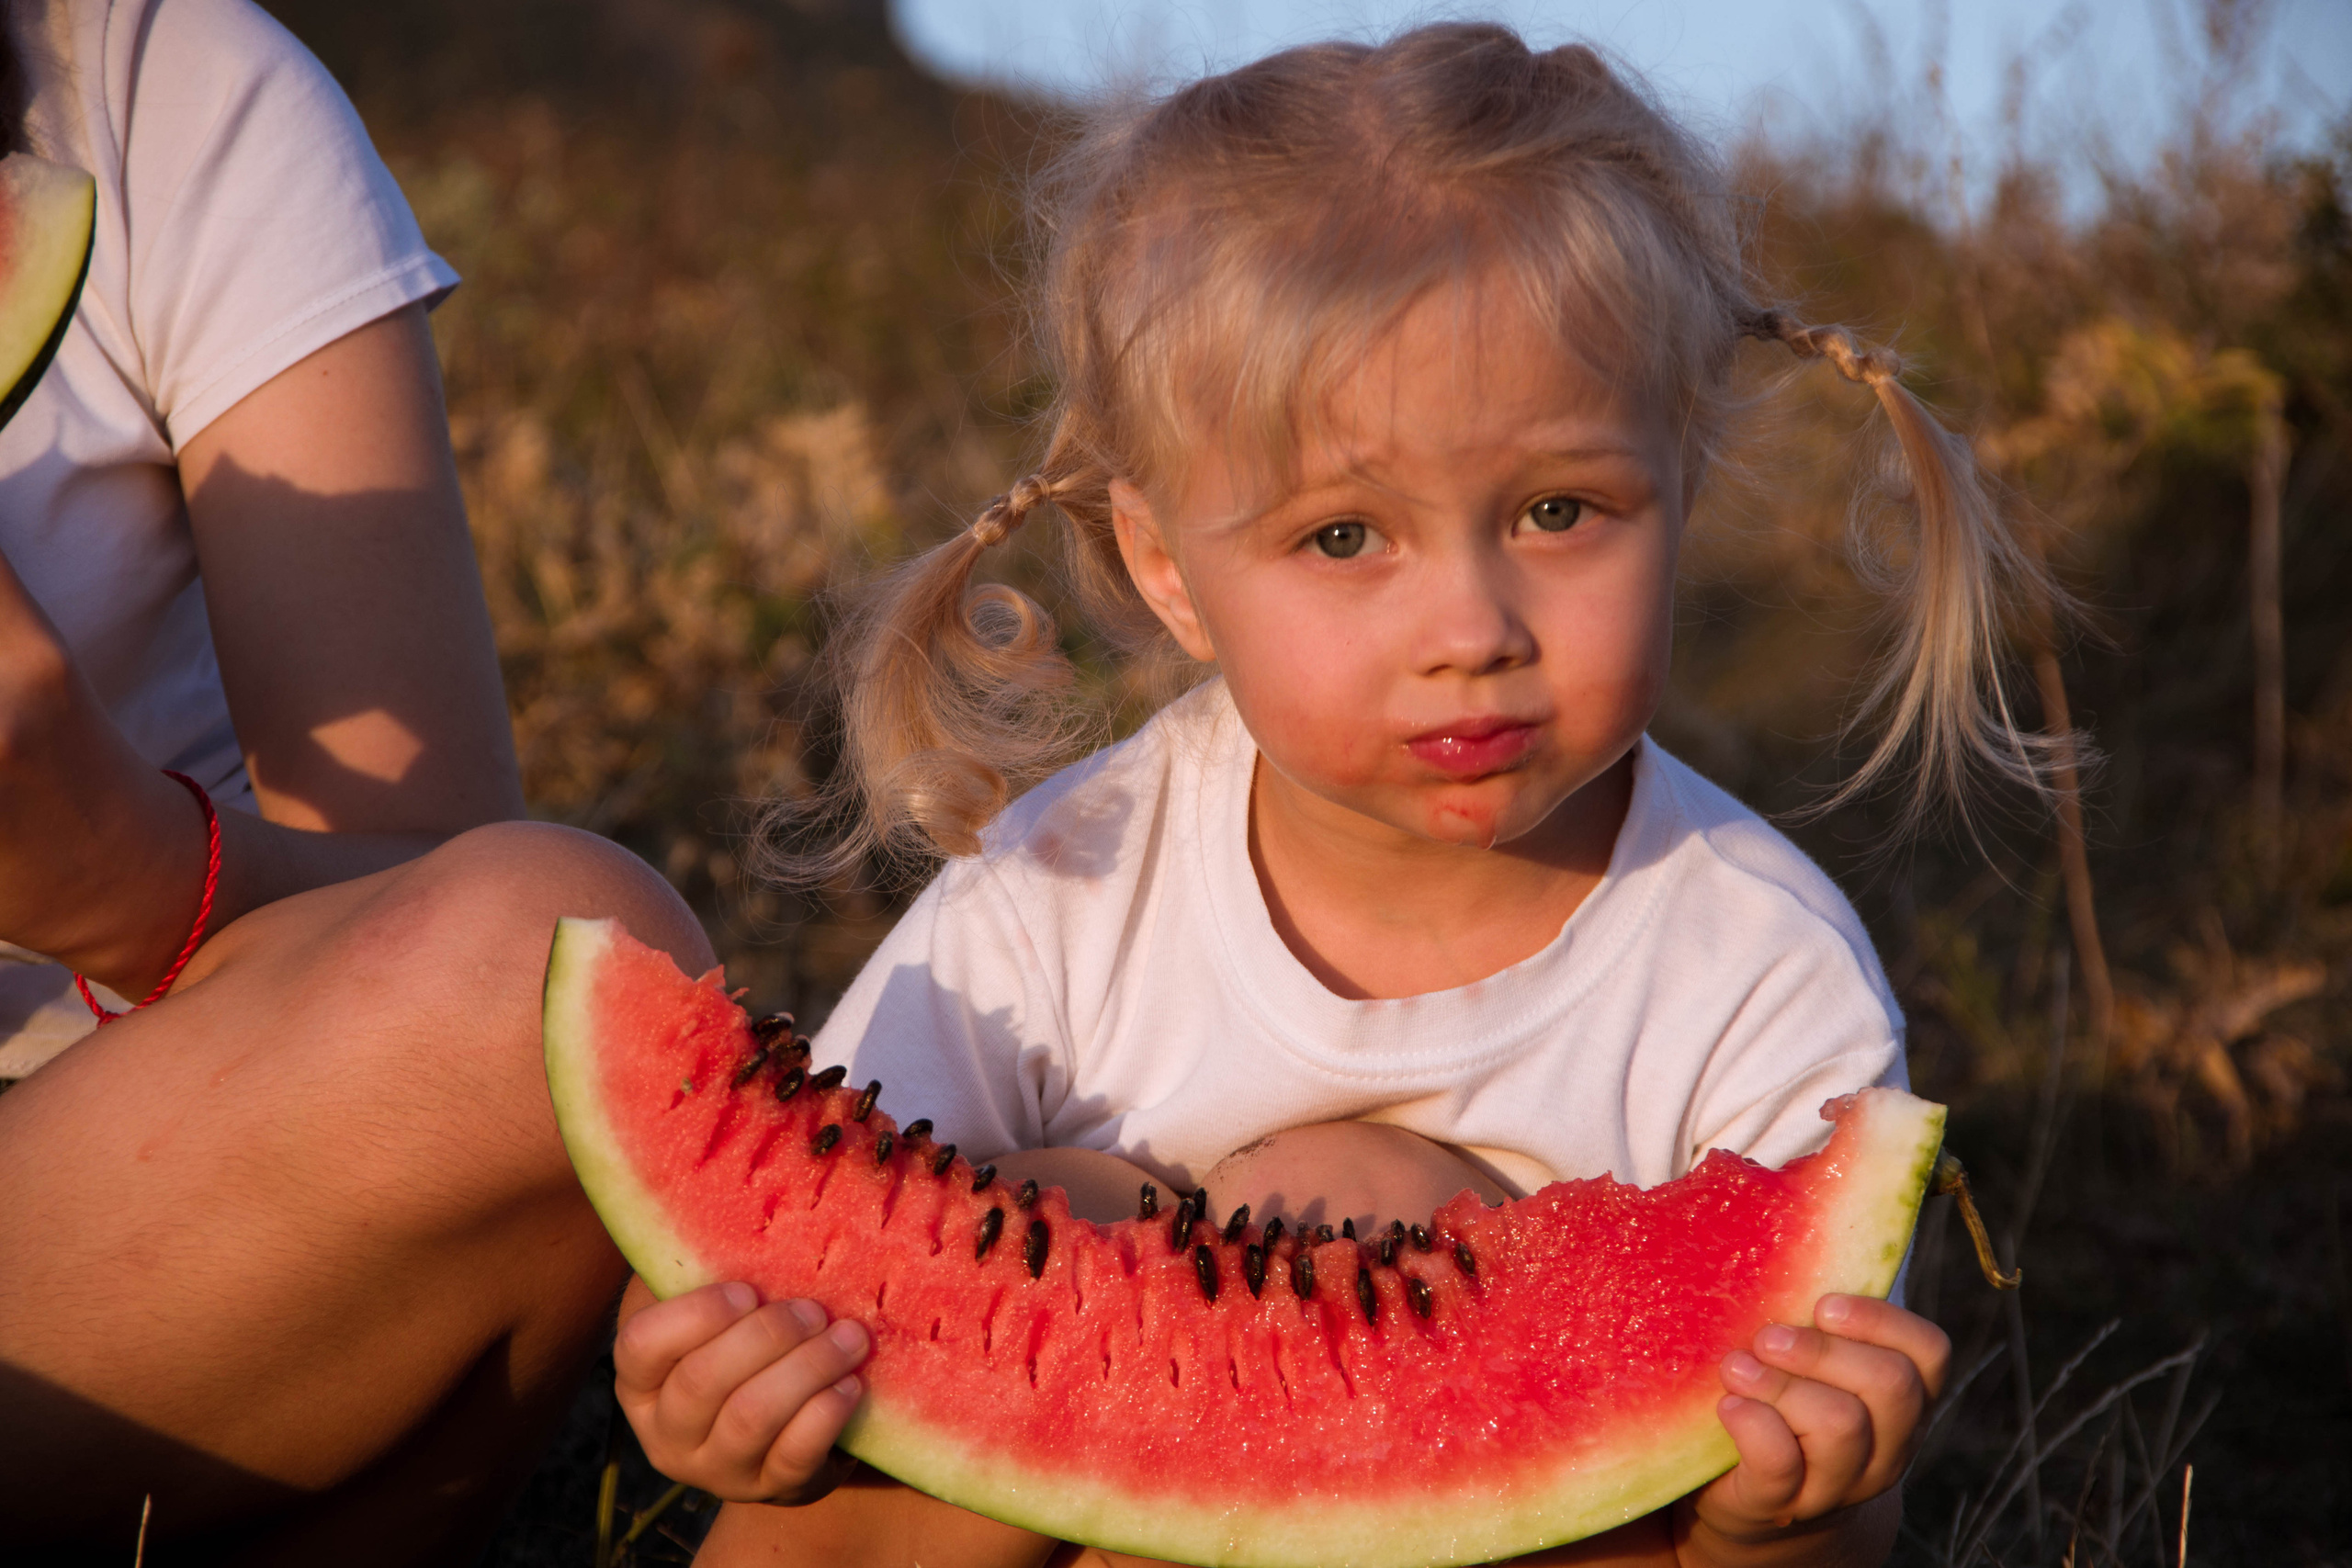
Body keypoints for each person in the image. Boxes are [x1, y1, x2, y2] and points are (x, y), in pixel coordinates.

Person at [613, 25, 2058, 1567]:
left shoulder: (1762, 978)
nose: (1471, 631)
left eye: (1558, 511)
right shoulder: (1064, 888)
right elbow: (834, 1250)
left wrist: (1792, 1514)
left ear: (1683, 485)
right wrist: (723, 1368)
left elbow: (1806, 1484)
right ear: (1168, 571)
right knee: (989, 1256)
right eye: (1345, 538)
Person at [0, 0, 702, 1559]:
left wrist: (127, 876)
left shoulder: (160, 86)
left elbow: (431, 887)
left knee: (564, 980)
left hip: (89, 1200)